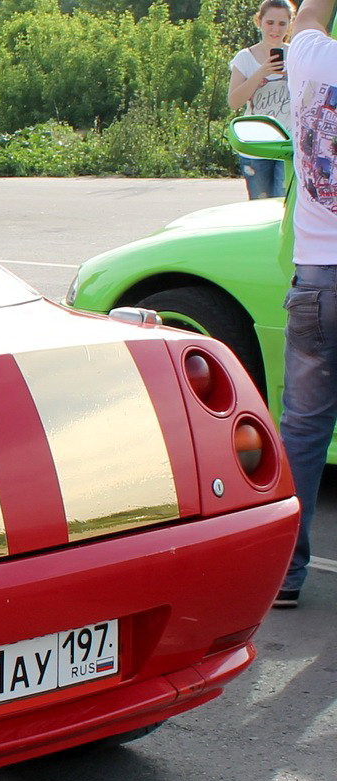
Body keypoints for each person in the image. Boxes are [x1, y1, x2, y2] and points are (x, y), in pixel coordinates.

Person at [276, 0, 337, 608]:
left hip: (319, 274)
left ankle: (289, 574)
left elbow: (310, 16)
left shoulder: (315, 58)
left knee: (305, 425)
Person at [229, 0, 297, 198]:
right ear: (259, 21)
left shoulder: (296, 55)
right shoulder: (245, 58)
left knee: (283, 204)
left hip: (288, 141)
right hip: (256, 143)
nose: (275, 29)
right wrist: (261, 73)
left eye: (282, 24)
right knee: (260, 205)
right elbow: (234, 102)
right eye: (270, 22)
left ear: (290, 25)